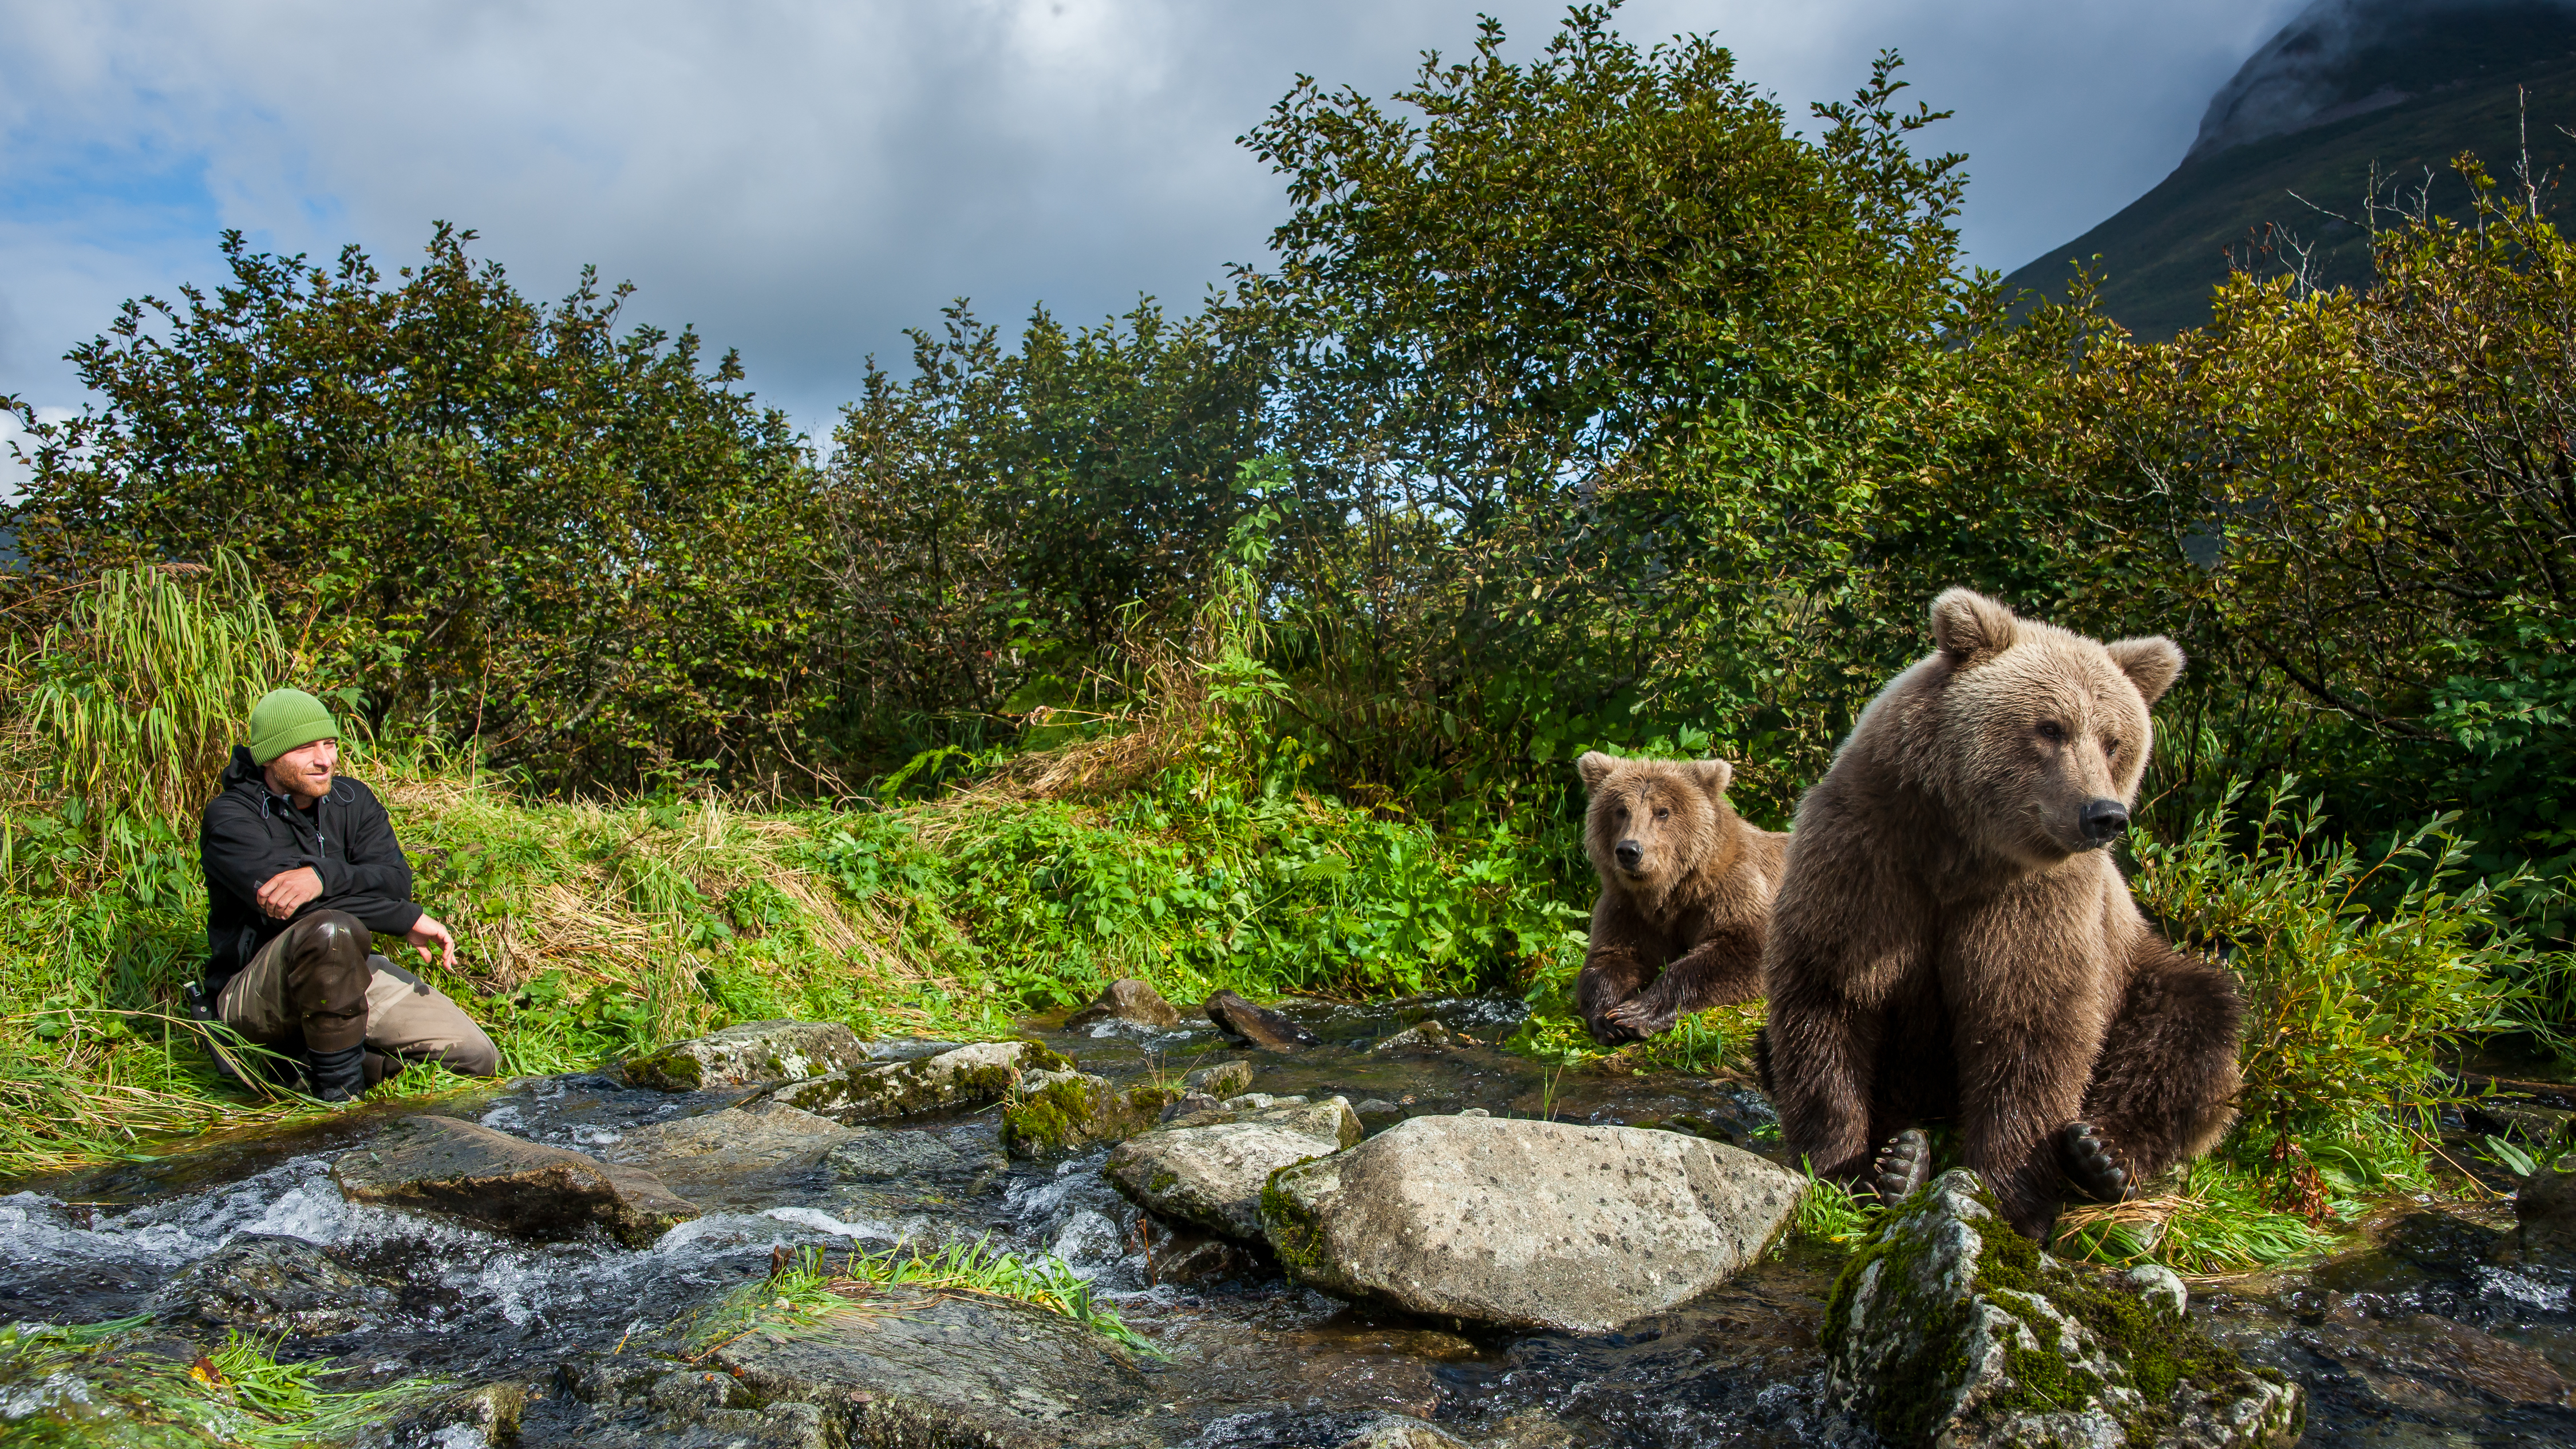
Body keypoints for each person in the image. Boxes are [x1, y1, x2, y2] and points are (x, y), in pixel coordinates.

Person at [191, 688, 500, 1099]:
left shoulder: (353, 800)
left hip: (349, 968)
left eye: (330, 743)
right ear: (269, 755)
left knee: (477, 1056)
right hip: (254, 989)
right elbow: (291, 908)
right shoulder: (231, 816)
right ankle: (339, 1103)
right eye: (305, 748)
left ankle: (311, 1067)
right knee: (329, 930)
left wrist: (321, 876)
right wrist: (400, 918)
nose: (325, 759)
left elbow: (394, 881)